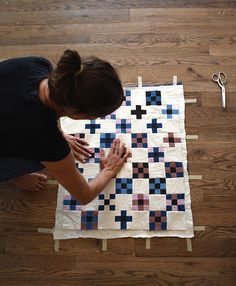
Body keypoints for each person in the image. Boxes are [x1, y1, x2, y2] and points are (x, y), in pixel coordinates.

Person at [0, 49, 130, 204]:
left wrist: (60, 134)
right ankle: (14, 175)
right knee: (40, 157)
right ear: (77, 114)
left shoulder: (38, 64)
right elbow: (84, 196)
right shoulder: (46, 141)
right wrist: (108, 170)